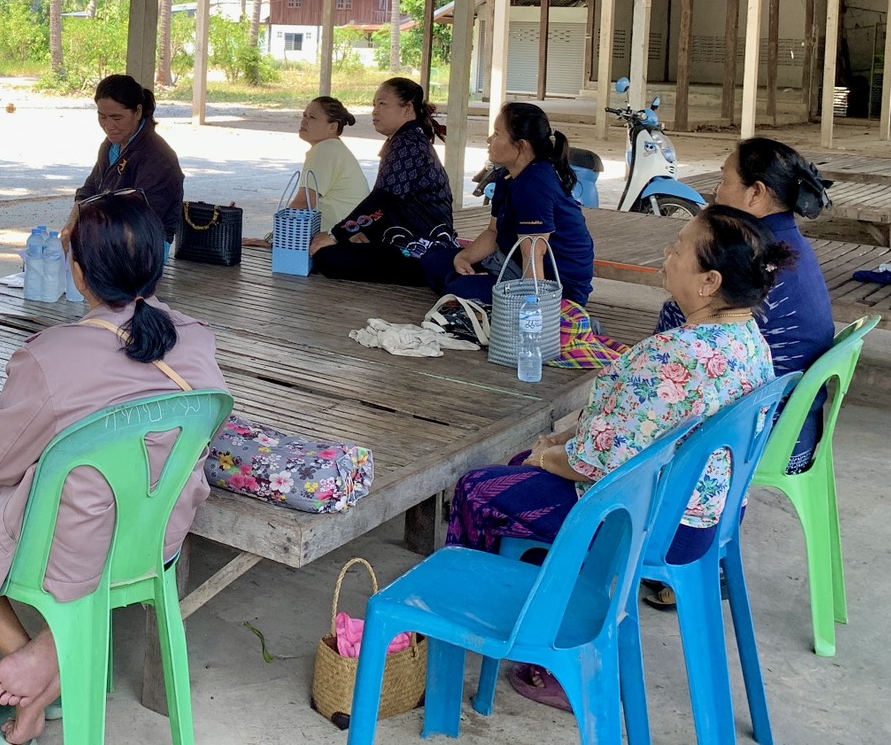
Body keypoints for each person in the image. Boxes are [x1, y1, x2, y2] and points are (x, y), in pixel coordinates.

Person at [0, 190, 227, 744]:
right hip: (155, 540)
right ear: (156, 264)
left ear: (79, 275)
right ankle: (50, 666)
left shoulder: (52, 355)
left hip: (66, 549)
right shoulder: (197, 339)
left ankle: (39, 673)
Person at [443, 205, 788, 709]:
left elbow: (591, 464)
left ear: (710, 281)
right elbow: (624, 438)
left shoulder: (675, 355)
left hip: (647, 522)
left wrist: (545, 457)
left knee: (479, 489)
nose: (667, 254)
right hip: (698, 511)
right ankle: (548, 606)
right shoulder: (746, 339)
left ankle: (484, 632)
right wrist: (551, 453)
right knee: (521, 464)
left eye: (679, 248)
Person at [641, 138, 835, 610]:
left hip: (761, 437)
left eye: (724, 180)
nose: (713, 193)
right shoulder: (784, 247)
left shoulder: (754, 267)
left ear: (755, 194)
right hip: (793, 421)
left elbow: (674, 360)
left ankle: (664, 555)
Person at [420, 102, 594, 307]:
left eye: (496, 134)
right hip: (513, 263)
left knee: (458, 289)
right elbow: (493, 232)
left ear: (521, 145)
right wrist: (464, 258)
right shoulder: (507, 174)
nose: (488, 140)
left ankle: (493, 291)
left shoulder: (533, 184)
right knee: (433, 260)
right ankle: (483, 284)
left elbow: (535, 254)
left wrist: (536, 309)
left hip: (555, 285)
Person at [310, 77, 454, 284]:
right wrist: (363, 231)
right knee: (330, 250)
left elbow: (382, 199)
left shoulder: (408, 144)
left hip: (417, 248)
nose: (375, 111)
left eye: (383, 104)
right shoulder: (406, 139)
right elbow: (390, 202)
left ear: (407, 109)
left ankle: (422, 271)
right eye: (374, 105)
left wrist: (336, 234)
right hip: (403, 238)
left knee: (326, 257)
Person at [62, 74, 184, 247]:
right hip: (108, 234)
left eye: (117, 118)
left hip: (143, 247)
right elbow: (90, 189)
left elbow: (142, 220)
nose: (108, 126)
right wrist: (69, 227)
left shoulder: (157, 158)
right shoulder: (112, 144)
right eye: (102, 117)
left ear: (138, 112)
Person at [292, 96, 370, 233]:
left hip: (339, 240)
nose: (304, 120)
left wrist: (274, 238)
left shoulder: (326, 150)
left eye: (312, 117)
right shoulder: (331, 148)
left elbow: (303, 203)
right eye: (304, 115)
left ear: (332, 127)